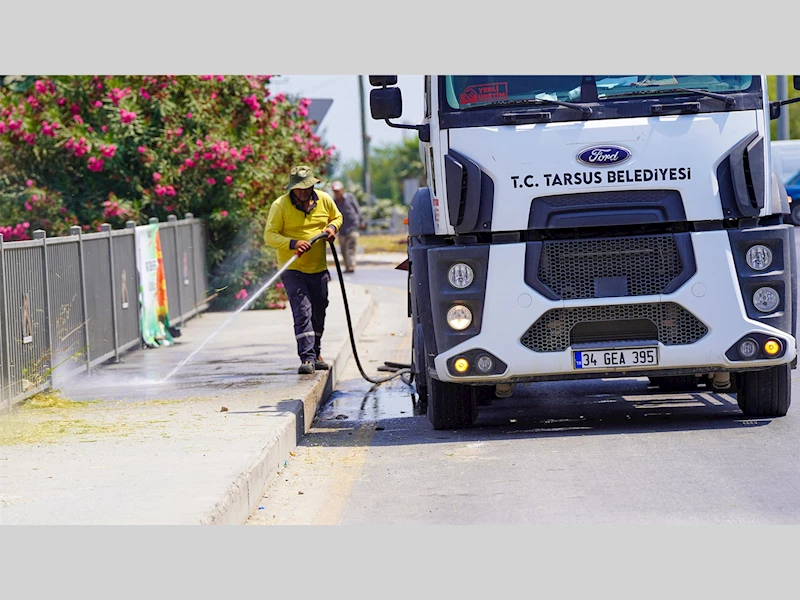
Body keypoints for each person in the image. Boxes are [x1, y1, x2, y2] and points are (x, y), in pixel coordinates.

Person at [264, 165, 343, 375]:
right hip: (293, 270)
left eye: (306, 187)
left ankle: (316, 353)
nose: (303, 192)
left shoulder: (324, 199)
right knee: (302, 312)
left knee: (319, 310)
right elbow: (269, 235)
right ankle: (306, 358)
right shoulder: (280, 206)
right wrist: (293, 243)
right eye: (298, 188)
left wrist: (331, 229)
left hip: (318, 268)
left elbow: (337, 217)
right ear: (291, 188)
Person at [330, 180, 365, 273]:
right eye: (335, 191)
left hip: (352, 227)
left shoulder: (349, 198)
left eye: (338, 190)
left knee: (351, 248)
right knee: (343, 249)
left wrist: (361, 220)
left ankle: (351, 265)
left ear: (342, 190)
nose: (337, 193)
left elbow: (357, 209)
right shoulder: (333, 202)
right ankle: (347, 266)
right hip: (341, 229)